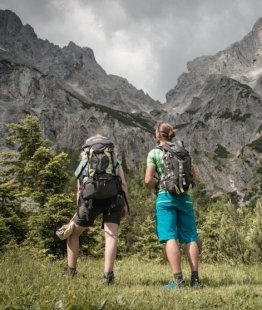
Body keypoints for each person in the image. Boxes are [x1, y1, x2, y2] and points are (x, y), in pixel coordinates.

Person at [62, 134, 129, 284]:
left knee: (73, 233)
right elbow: (123, 184)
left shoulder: (85, 160)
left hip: (90, 200)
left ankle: (71, 272)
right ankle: (108, 277)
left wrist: (78, 208)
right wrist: (125, 205)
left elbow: (80, 187)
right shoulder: (114, 160)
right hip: (113, 198)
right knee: (111, 236)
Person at [145, 123, 202, 289]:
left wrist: (158, 184)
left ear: (158, 135)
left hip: (165, 198)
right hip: (184, 198)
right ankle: (196, 280)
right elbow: (193, 176)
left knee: (170, 236)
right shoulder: (182, 151)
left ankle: (178, 281)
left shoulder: (155, 152)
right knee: (190, 237)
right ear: (171, 135)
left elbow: (148, 180)